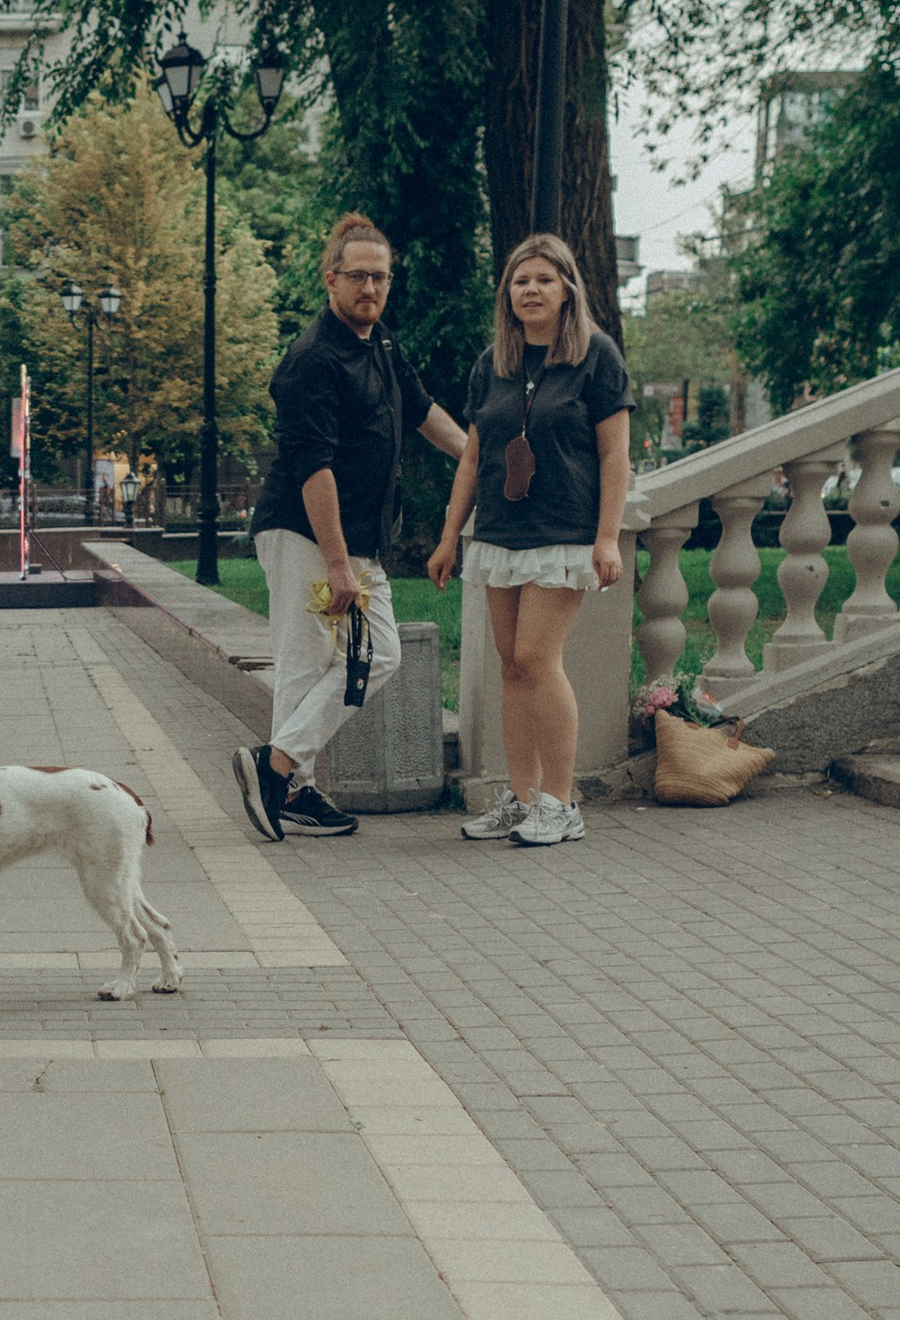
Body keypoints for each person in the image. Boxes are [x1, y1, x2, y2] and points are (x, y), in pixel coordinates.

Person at [232, 214, 472, 841]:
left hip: (353, 537)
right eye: (359, 276)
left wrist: (480, 454)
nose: (371, 288)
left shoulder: (381, 343)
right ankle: (282, 773)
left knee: (333, 661)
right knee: (344, 657)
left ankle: (284, 778)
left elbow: (423, 414)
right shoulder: (312, 360)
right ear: (331, 280)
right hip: (306, 533)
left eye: (381, 277)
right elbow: (315, 469)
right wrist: (338, 563)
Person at [429, 232, 633, 849]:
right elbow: (472, 458)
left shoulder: (596, 356)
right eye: (520, 281)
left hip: (564, 534)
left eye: (543, 279)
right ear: (508, 294)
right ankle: (520, 800)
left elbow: (614, 453)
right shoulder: (493, 363)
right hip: (500, 533)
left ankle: (562, 802)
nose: (531, 290)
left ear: (567, 288)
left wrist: (608, 538)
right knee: (512, 667)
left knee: (539, 661)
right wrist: (448, 539)